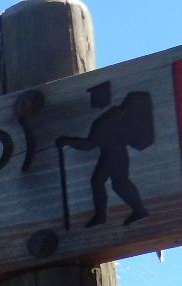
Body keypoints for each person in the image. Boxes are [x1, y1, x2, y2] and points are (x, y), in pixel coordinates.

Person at [58, 90, 153, 227]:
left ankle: (139, 210)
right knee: (98, 181)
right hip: (110, 154)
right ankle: (101, 215)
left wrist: (67, 141)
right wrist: (67, 141)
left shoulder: (106, 121)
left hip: (116, 156)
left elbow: (89, 145)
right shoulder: (112, 119)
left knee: (119, 184)